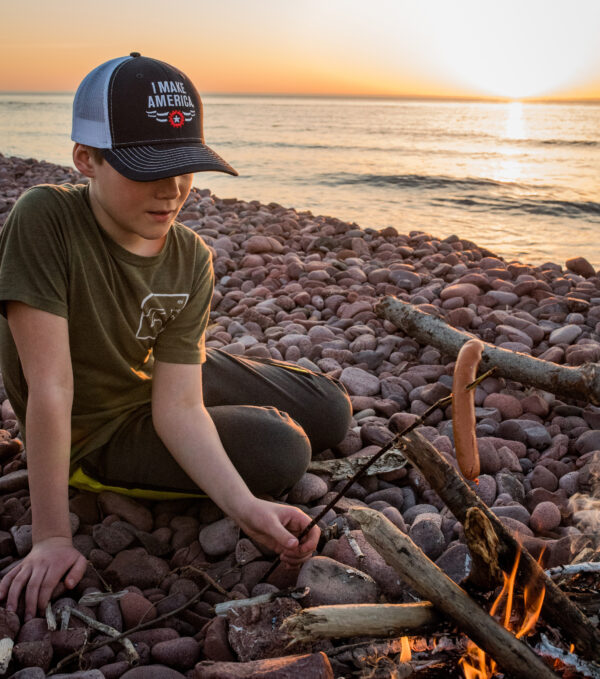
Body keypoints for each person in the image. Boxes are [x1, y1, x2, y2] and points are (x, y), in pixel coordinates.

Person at [0, 53, 351, 621]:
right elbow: (51, 389)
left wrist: (242, 508)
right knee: (282, 450)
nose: (173, 189)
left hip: (152, 384)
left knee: (332, 408)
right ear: (86, 159)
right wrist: (50, 537)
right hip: (97, 427)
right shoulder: (45, 219)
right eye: (148, 169)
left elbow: (180, 404)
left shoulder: (191, 256)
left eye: (185, 165)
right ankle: (106, 469)